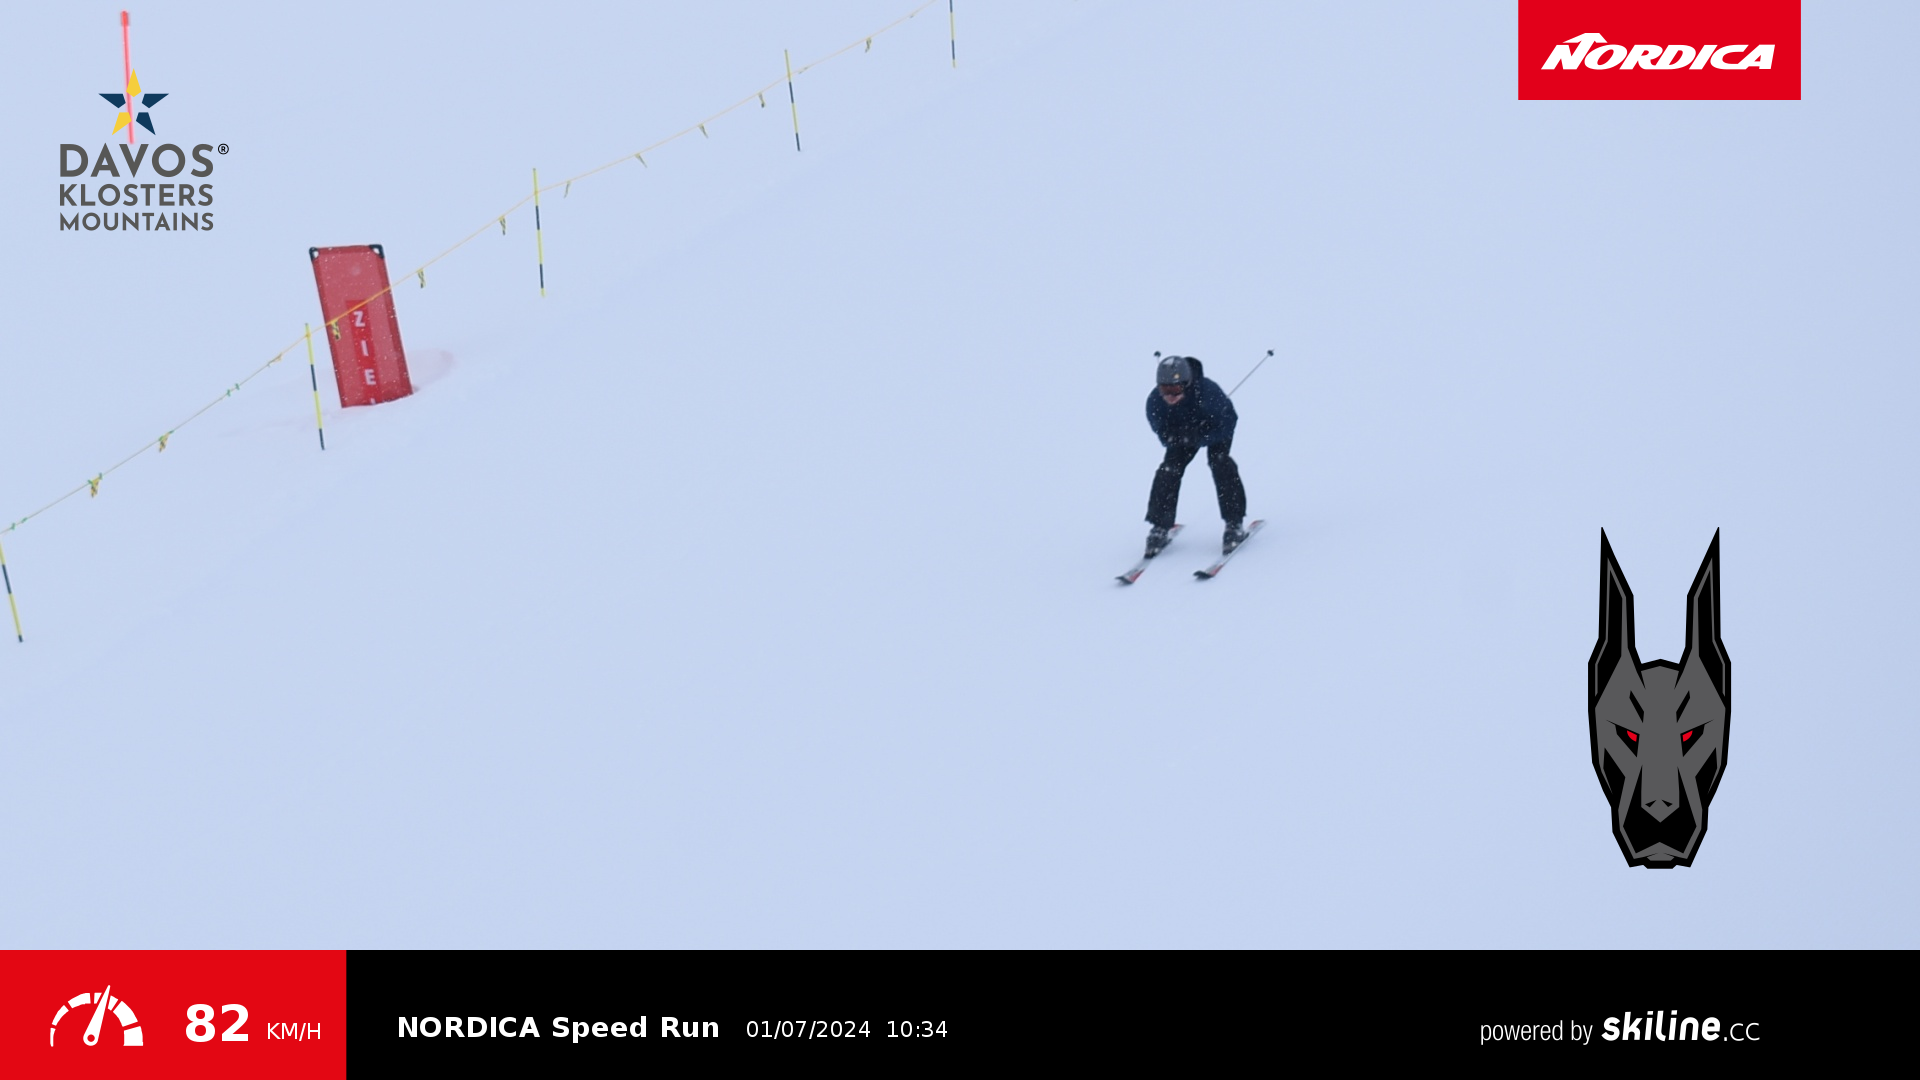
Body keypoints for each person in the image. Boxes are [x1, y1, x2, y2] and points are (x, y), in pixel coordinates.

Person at [1143, 355, 1248, 557]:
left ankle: (1234, 523)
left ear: (1187, 383)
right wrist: (1172, 437)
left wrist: (1202, 436)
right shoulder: (1155, 402)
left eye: (1175, 389)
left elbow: (1228, 421)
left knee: (1220, 462)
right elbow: (1160, 428)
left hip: (1214, 430)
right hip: (1181, 434)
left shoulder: (1208, 393)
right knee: (1168, 470)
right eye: (1165, 390)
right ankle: (1159, 527)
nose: (1170, 396)